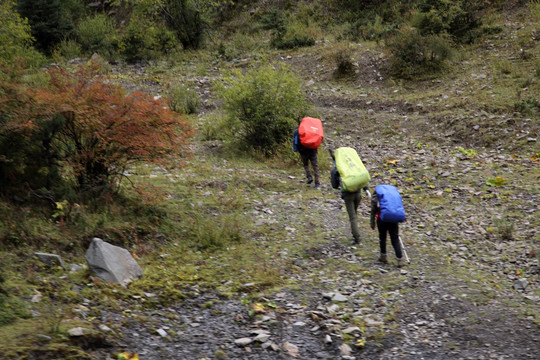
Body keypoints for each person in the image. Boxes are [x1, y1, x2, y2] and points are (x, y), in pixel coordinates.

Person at [330, 153, 369, 245]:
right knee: (354, 214)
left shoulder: (336, 170)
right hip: (358, 193)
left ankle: (357, 238)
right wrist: (366, 189)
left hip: (348, 195)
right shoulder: (353, 166)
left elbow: (334, 186)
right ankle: (355, 232)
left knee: (352, 217)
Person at [370, 188, 405, 267]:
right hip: (394, 219)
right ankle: (399, 260)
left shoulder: (377, 195)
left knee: (382, 237)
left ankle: (383, 256)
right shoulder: (393, 196)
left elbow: (373, 210)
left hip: (382, 219)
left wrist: (372, 222)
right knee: (395, 239)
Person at [293, 118, 320, 188]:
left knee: (306, 164)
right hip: (313, 150)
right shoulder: (312, 130)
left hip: (303, 151)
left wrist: (297, 150)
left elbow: (296, 142)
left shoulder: (297, 131)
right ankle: (317, 183)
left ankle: (309, 177)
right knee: (315, 166)